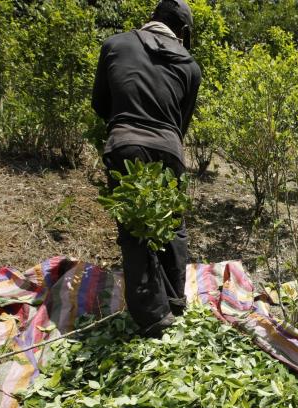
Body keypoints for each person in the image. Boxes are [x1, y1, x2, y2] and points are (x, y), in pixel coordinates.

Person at [92, 0, 202, 337]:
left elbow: (100, 103)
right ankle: (174, 299)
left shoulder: (115, 44)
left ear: (150, 19)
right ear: (182, 32)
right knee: (172, 225)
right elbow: (180, 122)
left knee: (135, 230)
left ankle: (153, 318)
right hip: (169, 148)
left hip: (125, 142)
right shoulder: (190, 66)